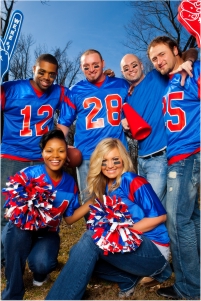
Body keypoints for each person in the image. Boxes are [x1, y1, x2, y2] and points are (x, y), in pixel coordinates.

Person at [45, 138, 173, 300]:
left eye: (115, 160)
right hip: (131, 250)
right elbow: (70, 219)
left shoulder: (132, 180)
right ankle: (127, 279)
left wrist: (118, 234)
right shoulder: (105, 187)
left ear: (123, 160)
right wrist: (60, 192)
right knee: (76, 252)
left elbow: (160, 216)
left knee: (92, 239)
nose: (110, 165)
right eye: (104, 161)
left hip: (154, 252)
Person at [1, 129, 92, 300]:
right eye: (49, 150)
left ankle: (40, 272)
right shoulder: (29, 174)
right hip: (22, 230)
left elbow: (69, 218)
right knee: (16, 231)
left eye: (61, 150)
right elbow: (11, 205)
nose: (55, 155)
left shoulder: (70, 183)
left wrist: (90, 203)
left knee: (42, 263)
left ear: (67, 155)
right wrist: (14, 209)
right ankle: (13, 291)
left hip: (46, 234)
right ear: (42, 153)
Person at [0, 54, 71, 265]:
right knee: (6, 210)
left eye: (51, 74)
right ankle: (6, 259)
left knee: (42, 211)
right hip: (12, 157)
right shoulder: (11, 88)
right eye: (42, 71)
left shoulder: (59, 92)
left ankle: (39, 256)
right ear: (33, 68)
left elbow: (77, 100)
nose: (46, 77)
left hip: (42, 161)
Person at [147, 36, 200, 300]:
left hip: (188, 153)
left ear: (175, 50)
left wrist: (192, 59)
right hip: (177, 154)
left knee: (178, 222)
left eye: (161, 54)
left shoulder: (193, 71)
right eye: (154, 59)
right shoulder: (170, 83)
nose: (158, 61)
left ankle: (190, 288)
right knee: (191, 218)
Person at [120, 49, 197, 205]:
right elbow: (134, 134)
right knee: (157, 207)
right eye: (126, 69)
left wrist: (189, 61)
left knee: (152, 208)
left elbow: (190, 50)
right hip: (141, 160)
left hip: (160, 156)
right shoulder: (128, 98)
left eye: (134, 65)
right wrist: (125, 126)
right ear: (123, 73)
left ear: (141, 65)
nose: (131, 70)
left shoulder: (156, 76)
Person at [57, 49, 130, 206]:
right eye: (86, 66)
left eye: (95, 65)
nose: (91, 70)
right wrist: (59, 145)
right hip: (87, 155)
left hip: (117, 153)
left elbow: (135, 111)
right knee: (90, 205)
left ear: (103, 64)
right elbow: (64, 123)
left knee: (122, 203)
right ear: (81, 67)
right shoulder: (75, 91)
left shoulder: (122, 85)